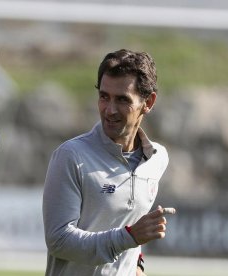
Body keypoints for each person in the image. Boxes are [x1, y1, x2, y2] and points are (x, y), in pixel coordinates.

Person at [42, 49, 176, 276]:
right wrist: (129, 237)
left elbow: (129, 223)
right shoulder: (71, 156)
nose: (110, 110)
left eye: (122, 99)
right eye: (104, 97)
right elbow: (59, 240)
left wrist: (138, 264)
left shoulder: (157, 158)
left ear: (148, 102)